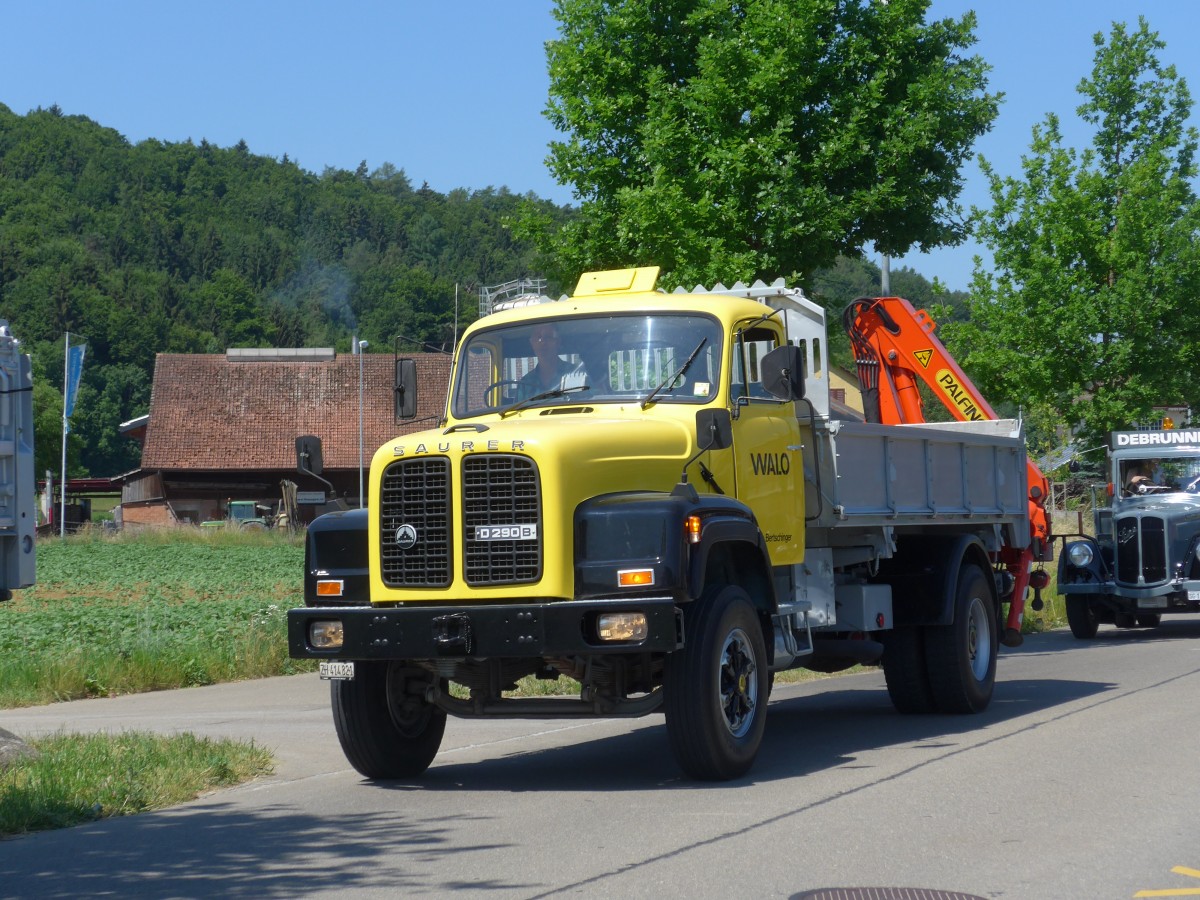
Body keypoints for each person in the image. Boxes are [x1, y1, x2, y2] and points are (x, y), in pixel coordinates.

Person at [520, 323, 586, 394]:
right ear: (532, 343)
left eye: (548, 337)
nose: (542, 342)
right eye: (538, 337)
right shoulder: (525, 383)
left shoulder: (576, 373)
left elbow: (592, 399)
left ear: (558, 342)